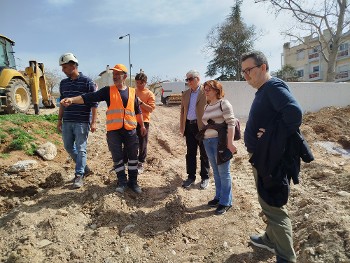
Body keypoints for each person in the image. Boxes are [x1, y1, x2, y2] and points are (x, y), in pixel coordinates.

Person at [241, 50, 303, 263]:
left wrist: (270, 135)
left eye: (249, 70)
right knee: (266, 200)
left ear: (263, 67)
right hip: (262, 156)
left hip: (269, 159)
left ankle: (286, 257)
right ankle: (269, 239)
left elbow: (294, 114)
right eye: (243, 72)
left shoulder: (273, 87)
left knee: (275, 208)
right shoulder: (264, 90)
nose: (246, 76)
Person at [61, 64, 147, 194]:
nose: (115, 77)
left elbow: (137, 110)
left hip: (130, 130)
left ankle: (133, 182)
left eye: (118, 74)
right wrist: (72, 100)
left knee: (133, 157)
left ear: (125, 76)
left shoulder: (132, 92)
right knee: (117, 157)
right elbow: (89, 97)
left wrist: (142, 126)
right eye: (114, 74)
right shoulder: (108, 91)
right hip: (114, 131)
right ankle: (122, 182)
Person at [57, 53, 98, 189]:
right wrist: (59, 121)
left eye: (65, 67)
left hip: (82, 121)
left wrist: (93, 122)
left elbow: (94, 104)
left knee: (81, 149)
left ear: (73, 66)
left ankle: (79, 175)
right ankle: (84, 167)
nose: (63, 70)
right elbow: (62, 104)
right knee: (69, 147)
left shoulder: (87, 82)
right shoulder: (63, 84)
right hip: (67, 121)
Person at [197, 80, 237, 215]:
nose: (206, 91)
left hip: (220, 142)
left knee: (224, 172)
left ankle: (226, 202)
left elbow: (231, 123)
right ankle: (218, 197)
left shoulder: (223, 103)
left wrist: (230, 144)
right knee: (216, 171)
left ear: (216, 90)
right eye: (205, 89)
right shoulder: (207, 106)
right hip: (208, 142)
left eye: (208, 89)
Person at [180, 70, 210, 189]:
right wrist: (182, 127)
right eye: (187, 79)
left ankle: (205, 177)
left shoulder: (206, 92)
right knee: (190, 153)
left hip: (202, 127)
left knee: (204, 153)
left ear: (198, 78)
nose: (188, 82)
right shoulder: (186, 94)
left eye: (190, 79)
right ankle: (191, 177)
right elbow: (182, 111)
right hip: (189, 126)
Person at [129, 72, 156, 173]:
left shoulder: (149, 94)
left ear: (145, 83)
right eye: (136, 83)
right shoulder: (132, 91)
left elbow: (150, 109)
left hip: (144, 122)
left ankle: (141, 162)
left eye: (140, 83)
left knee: (142, 143)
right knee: (131, 142)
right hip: (131, 121)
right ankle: (131, 160)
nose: (138, 85)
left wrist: (141, 102)